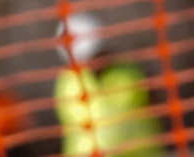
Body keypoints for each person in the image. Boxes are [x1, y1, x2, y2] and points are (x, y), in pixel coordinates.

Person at [53, 13, 162, 157]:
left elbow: (155, 103)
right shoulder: (68, 84)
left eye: (97, 54)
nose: (95, 63)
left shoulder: (129, 70)